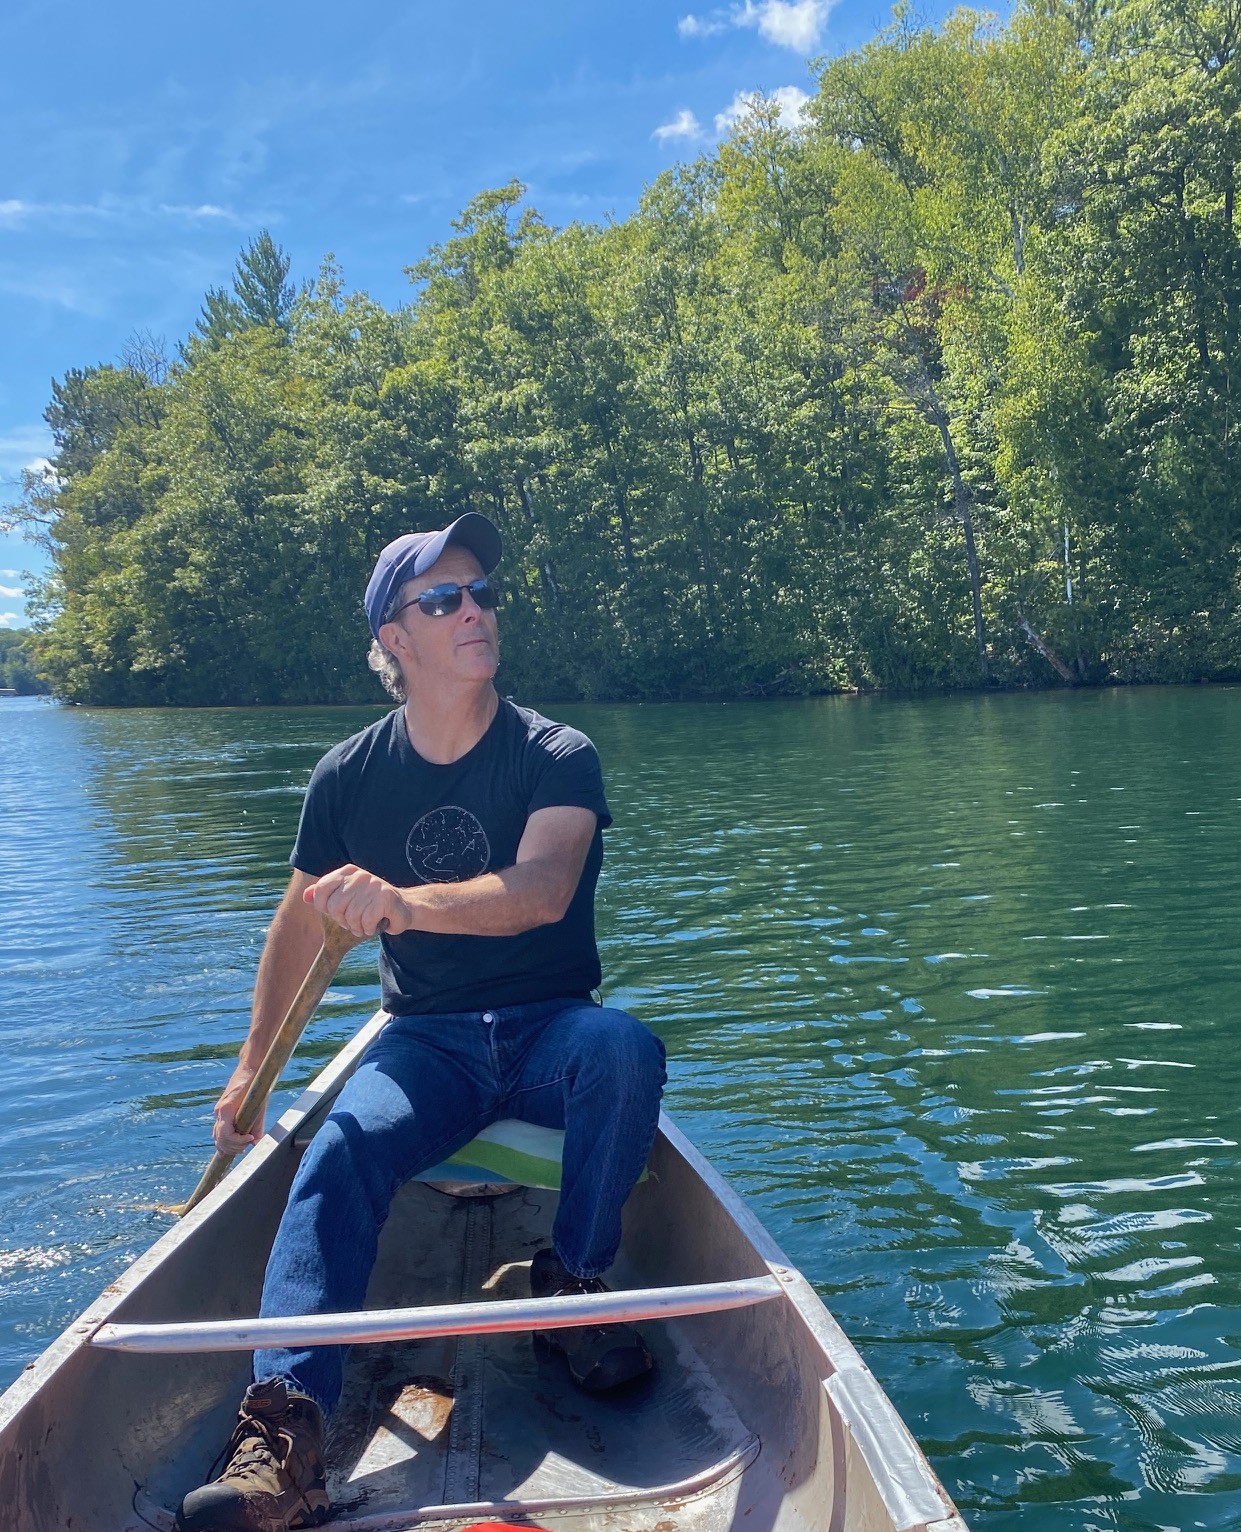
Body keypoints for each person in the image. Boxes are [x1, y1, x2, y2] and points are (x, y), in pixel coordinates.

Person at [176, 512, 667, 1532]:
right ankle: (287, 1429)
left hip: (548, 1029)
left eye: (482, 591)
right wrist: (249, 1076)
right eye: (442, 598)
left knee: (623, 1049)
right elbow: (295, 926)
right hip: (426, 1039)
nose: (474, 608)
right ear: (394, 639)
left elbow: (539, 888)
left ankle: (570, 1280)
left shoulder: (555, 751)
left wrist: (400, 900)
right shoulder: (347, 774)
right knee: (339, 1143)